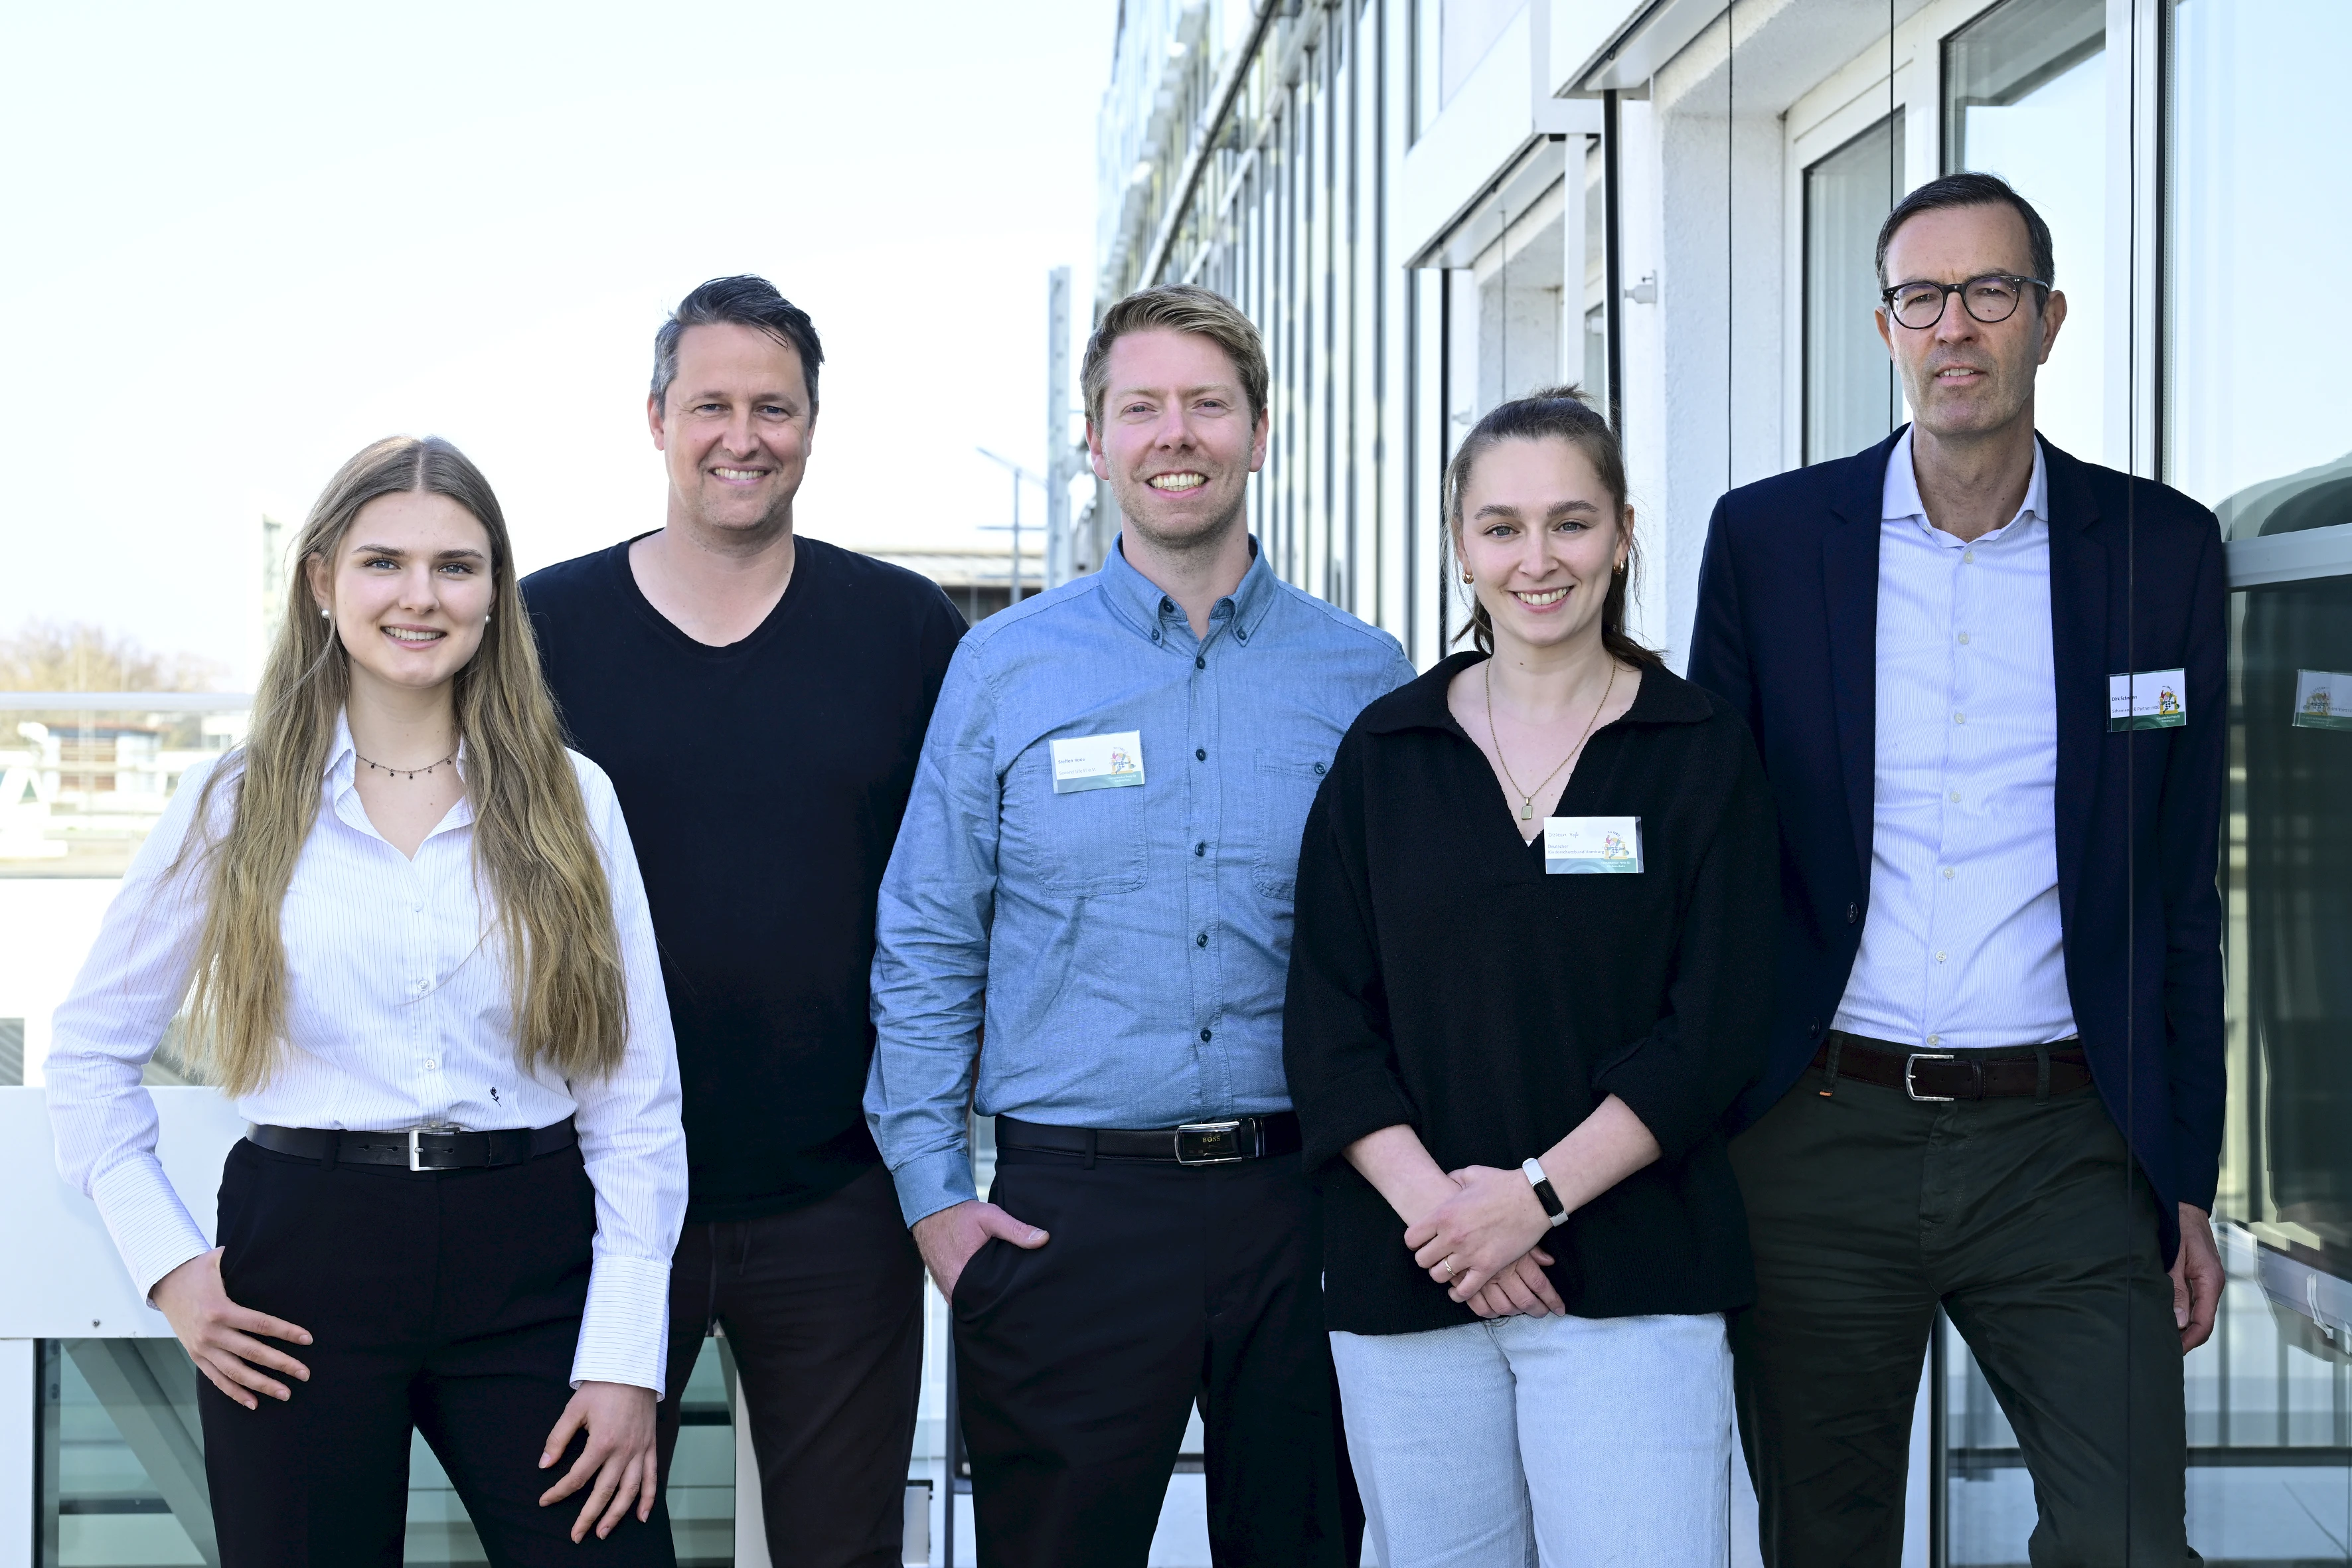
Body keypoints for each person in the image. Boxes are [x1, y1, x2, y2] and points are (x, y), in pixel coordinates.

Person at [1687, 171, 2227, 1563]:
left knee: (2126, 1536)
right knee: (1827, 1536)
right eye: (1922, 298)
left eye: (1990, 293)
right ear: (1884, 327)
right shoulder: (1766, 541)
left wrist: (2186, 1177)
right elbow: (1713, 853)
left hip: (2061, 1140)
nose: (1955, 328)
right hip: (1818, 1128)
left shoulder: (2158, 550)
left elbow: (2180, 892)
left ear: (2047, 320)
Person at [44, 435, 688, 1565]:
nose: (419, 596)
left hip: (529, 1254)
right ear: (323, 582)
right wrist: (174, 1271)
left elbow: (634, 1099)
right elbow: (91, 1050)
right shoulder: (234, 802)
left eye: (457, 566)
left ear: (496, 595)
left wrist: (626, 1355)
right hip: (302, 1269)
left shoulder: (574, 801)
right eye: (383, 561)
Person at [864, 282, 1414, 1566]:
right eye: (1142, 407)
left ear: (1260, 431)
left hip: (1308, 1204)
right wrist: (937, 1201)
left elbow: (1412, 954)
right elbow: (929, 936)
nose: (1177, 434)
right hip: (1070, 1217)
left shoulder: (1364, 674)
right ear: (1097, 442)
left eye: (1207, 404)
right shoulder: (1004, 668)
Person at [1285, 388, 1777, 1565]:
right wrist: (1453, 1221)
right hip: (1411, 1279)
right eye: (1500, 526)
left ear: (1619, 536)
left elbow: (1712, 1027)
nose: (1535, 559)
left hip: (1632, 1278)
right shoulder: (1387, 752)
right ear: (1460, 543)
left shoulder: (1696, 747)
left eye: (1569, 522)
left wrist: (1531, 1201)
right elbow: (1324, 1018)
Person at [520, 275, 965, 1568]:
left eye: (774, 406)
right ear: (656, 417)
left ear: (813, 425)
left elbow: (963, 894)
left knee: (841, 1551)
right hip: (597, 1198)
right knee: (586, 1546)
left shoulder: (903, 630)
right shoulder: (544, 629)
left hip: (839, 1200)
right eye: (711, 403)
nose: (743, 433)